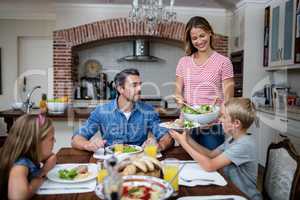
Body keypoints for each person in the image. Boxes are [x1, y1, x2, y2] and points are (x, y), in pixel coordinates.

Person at [170, 98, 262, 200]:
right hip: (231, 190)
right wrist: (186, 138)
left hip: (244, 196)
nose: (220, 120)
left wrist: (183, 143)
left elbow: (210, 166)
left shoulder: (244, 144)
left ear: (236, 123)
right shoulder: (233, 139)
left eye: (224, 117)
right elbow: (210, 154)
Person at [72, 68, 173, 152]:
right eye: (134, 85)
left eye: (140, 84)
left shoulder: (148, 111)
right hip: (111, 161)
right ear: (120, 89)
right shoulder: (101, 111)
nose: (139, 89)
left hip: (139, 161)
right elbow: (76, 139)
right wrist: (88, 145)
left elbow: (167, 138)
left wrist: (160, 146)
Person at [175, 16, 235, 149]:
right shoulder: (183, 62)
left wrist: (213, 116)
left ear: (210, 33)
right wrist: (179, 99)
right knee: (187, 164)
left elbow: (228, 99)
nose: (199, 41)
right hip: (188, 123)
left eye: (202, 35)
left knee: (211, 165)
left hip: (212, 126)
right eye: (194, 38)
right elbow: (178, 92)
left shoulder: (224, 62)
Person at [0, 114, 56, 200]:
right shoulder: (20, 166)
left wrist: (45, 165)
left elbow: (51, 156)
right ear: (36, 142)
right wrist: (38, 179)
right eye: (52, 138)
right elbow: (17, 197)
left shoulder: (30, 157)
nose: (55, 141)